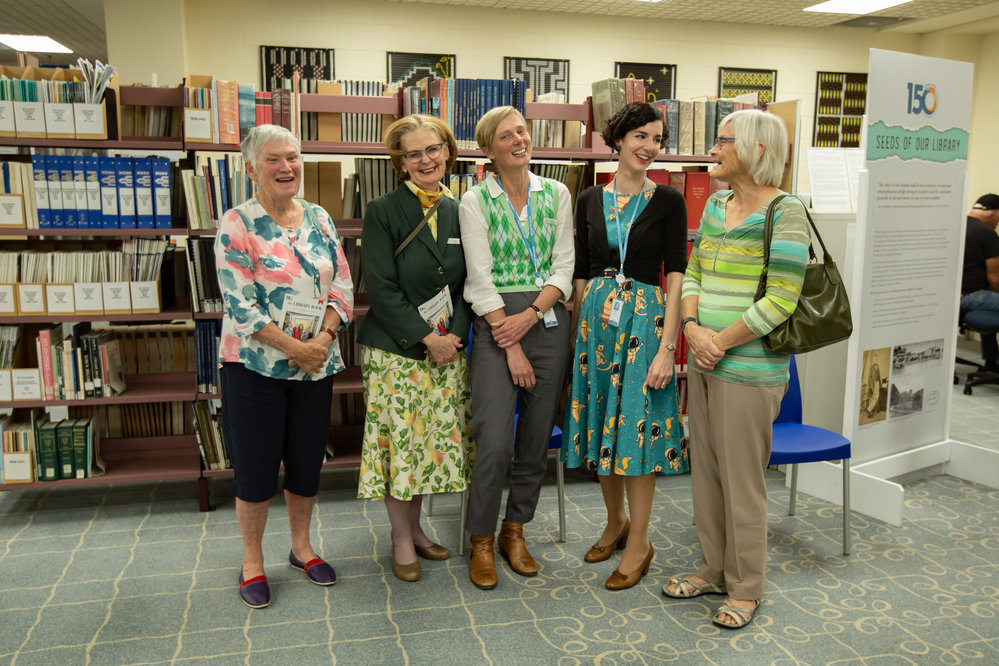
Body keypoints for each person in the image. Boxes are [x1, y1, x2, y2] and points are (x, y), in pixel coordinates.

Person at [662, 109, 809, 629]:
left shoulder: (787, 212)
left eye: (723, 141)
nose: (713, 150)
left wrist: (718, 343)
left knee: (743, 483)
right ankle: (713, 568)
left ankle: (746, 587)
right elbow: (694, 271)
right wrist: (693, 329)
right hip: (706, 361)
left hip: (749, 370)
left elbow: (782, 299)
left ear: (757, 149)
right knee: (705, 475)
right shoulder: (717, 203)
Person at [215, 124, 354, 608]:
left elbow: (342, 285)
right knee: (256, 468)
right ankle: (252, 560)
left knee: (306, 461)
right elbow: (241, 306)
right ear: (252, 169)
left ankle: (301, 548)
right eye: (273, 159)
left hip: (315, 365)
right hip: (255, 367)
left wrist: (323, 339)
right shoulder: (237, 223)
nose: (286, 167)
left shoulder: (319, 217)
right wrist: (296, 347)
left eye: (292, 157)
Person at [562, 102, 689, 591]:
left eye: (657, 139)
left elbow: (675, 276)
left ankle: (639, 542)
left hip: (645, 325)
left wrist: (667, 347)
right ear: (618, 139)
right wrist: (577, 337)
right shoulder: (589, 198)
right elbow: (580, 269)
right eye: (640, 136)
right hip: (597, 324)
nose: (649, 147)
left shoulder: (669, 200)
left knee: (635, 433)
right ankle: (615, 522)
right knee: (603, 427)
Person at [459, 105, 574, 590]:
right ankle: (481, 540)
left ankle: (514, 530)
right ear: (488, 149)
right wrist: (511, 343)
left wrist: (531, 316)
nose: (518, 141)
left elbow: (564, 266)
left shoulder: (556, 193)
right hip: (496, 323)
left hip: (547, 319)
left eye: (522, 132)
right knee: (494, 441)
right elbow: (479, 278)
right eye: (506, 136)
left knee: (534, 440)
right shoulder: (474, 201)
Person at [356, 115, 474, 582]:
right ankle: (400, 538)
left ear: (447, 152)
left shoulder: (461, 209)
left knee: (427, 446)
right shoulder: (382, 210)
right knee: (400, 445)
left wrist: (453, 338)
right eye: (414, 154)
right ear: (400, 163)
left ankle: (417, 528)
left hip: (448, 349)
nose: (426, 160)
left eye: (433, 149)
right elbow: (380, 286)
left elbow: (469, 283)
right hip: (396, 350)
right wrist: (428, 339)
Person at [960, 193, 999, 371]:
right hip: (972, 296)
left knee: (988, 303)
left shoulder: (958, 226)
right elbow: (994, 279)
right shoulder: (987, 234)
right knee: (988, 297)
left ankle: (991, 360)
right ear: (995, 214)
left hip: (951, 298)